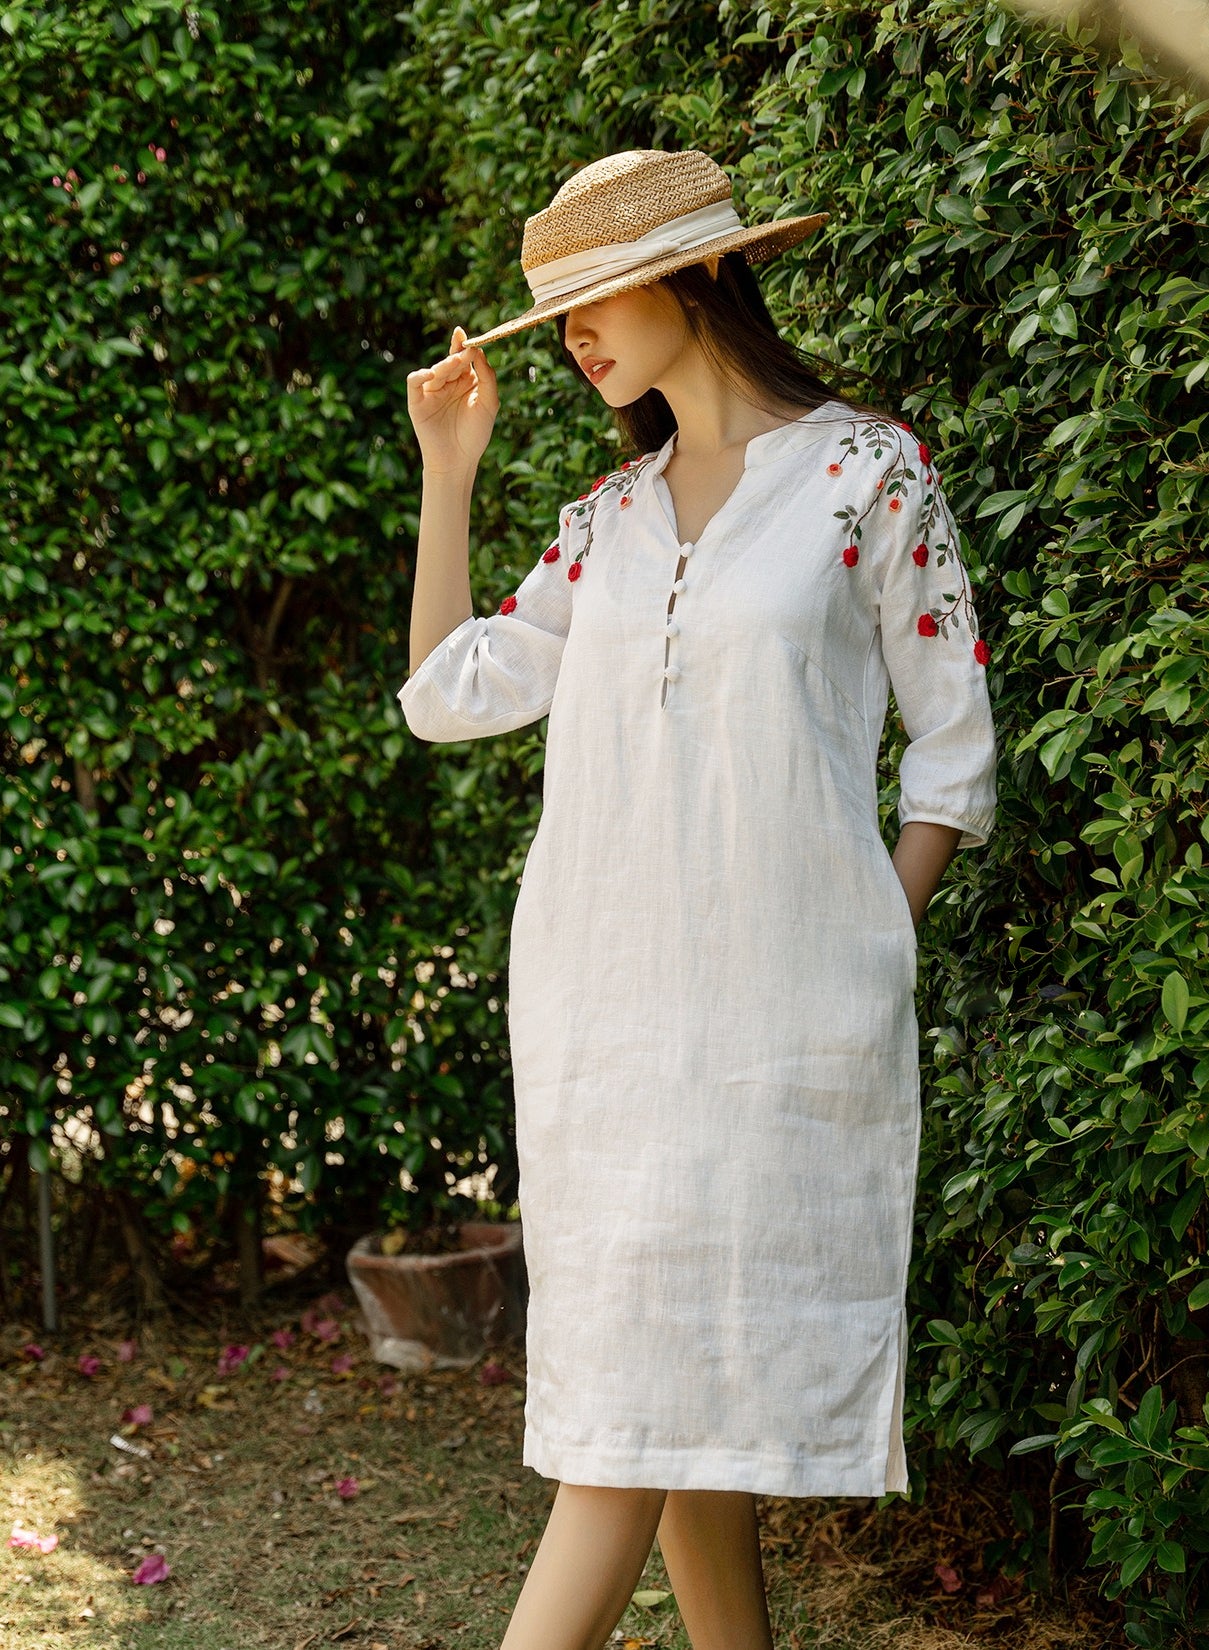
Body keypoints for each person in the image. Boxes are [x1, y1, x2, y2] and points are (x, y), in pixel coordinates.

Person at [399, 149, 997, 1650]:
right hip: (603, 1039)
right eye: (558, 321)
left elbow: (952, 753)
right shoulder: (604, 522)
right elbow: (447, 693)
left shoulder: (868, 473)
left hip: (777, 1035)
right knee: (670, 1439)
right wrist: (450, 471)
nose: (579, 341)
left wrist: (864, 943)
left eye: (595, 299)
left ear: (701, 274)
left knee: (625, 1439)